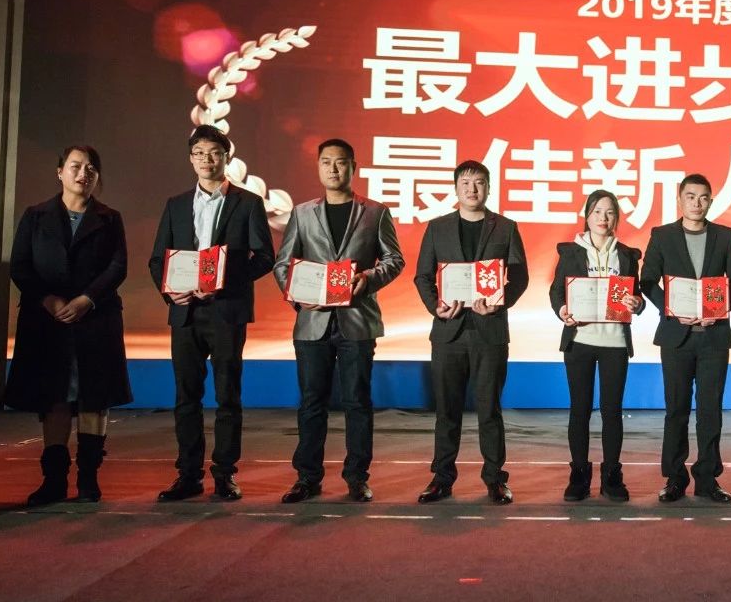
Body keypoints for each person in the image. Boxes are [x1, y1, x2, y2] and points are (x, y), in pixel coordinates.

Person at [272, 139, 405, 504]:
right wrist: (297, 295)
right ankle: (307, 478)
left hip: (357, 320)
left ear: (353, 167)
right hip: (312, 321)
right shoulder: (302, 213)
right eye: (326, 162)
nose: (333, 169)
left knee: (357, 402)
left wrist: (369, 279)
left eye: (341, 162)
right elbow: (283, 263)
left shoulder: (375, 212)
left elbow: (394, 260)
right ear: (318, 167)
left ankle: (357, 477)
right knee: (311, 402)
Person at [148, 124, 276, 502]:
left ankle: (224, 474)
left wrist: (222, 280)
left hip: (226, 310)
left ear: (227, 158)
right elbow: (157, 259)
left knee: (227, 396)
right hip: (185, 312)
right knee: (186, 397)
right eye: (200, 153)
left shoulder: (248, 202)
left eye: (215, 153)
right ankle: (188, 474)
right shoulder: (175, 204)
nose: (207, 159)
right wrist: (170, 292)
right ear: (191, 159)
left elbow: (264, 257)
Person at [6, 145, 132, 504]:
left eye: (91, 168)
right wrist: (48, 300)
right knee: (55, 396)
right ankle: (54, 481)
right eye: (75, 166)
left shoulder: (110, 218)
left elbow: (117, 267)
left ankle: (88, 479)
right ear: (59, 172)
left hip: (97, 319)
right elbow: (20, 266)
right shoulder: (35, 216)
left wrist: (86, 299)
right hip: (47, 322)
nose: (83, 174)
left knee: (94, 396)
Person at [413, 160, 529, 505]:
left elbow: (520, 276)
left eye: (479, 182)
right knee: (446, 411)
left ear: (488, 188)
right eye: (465, 183)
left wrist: (499, 303)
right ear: (456, 188)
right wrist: (435, 306)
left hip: (489, 332)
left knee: (489, 409)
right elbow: (422, 276)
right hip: (448, 331)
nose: (472, 189)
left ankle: (495, 479)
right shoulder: (437, 227)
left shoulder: (505, 227)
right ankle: (442, 479)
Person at [640, 173, 731, 504]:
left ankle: (707, 479)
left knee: (710, 411)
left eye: (703, 197)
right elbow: (647, 281)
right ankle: (674, 478)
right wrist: (671, 309)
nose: (697, 203)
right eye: (690, 196)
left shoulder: (725, 236)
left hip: (714, 336)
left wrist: (719, 309)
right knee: (676, 409)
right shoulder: (662, 235)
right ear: (680, 200)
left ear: (710, 201)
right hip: (677, 337)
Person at [549, 189, 644, 502]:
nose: (604, 218)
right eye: (597, 212)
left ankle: (612, 475)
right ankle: (578, 474)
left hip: (614, 342)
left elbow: (637, 295)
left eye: (610, 212)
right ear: (587, 215)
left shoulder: (627, 255)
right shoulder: (570, 253)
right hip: (580, 341)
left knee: (612, 411)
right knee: (579, 410)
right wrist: (563, 310)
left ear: (616, 218)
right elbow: (556, 292)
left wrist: (637, 303)